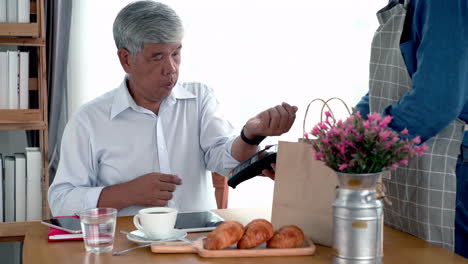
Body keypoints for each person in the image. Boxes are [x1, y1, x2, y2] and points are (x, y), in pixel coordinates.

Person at [48, 1, 297, 217]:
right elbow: (60, 201)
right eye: (157, 57)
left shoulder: (200, 98)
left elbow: (223, 159)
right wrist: (126, 194)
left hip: (199, 245)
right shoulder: (89, 120)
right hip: (125, 250)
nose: (171, 68)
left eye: (176, 53)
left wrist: (250, 134)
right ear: (126, 59)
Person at [354, 0, 468, 257]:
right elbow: (398, 82)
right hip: (426, 164)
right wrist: (339, 139)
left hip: (456, 171)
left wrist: (359, 151)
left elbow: (436, 102)